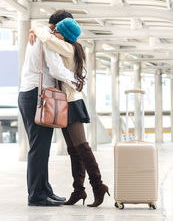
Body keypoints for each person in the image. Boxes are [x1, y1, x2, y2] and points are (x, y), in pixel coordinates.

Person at [30, 17, 109, 207]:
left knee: (82, 147)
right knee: (73, 150)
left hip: (72, 102)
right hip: (67, 102)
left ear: (64, 35)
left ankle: (98, 186)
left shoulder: (68, 48)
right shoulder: (69, 47)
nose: (54, 32)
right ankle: (79, 190)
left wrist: (37, 30)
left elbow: (48, 39)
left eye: (58, 31)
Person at [18, 11, 81, 207]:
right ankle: (37, 195)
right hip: (37, 95)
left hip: (30, 94)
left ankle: (44, 190)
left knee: (41, 147)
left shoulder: (41, 33)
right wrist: (75, 80)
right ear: (59, 26)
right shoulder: (47, 39)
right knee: (39, 148)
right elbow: (55, 69)